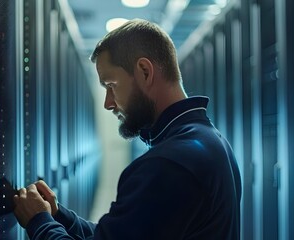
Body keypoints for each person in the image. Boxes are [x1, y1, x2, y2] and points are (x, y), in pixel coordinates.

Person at [13, 18, 241, 240]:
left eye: (111, 85)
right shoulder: (211, 141)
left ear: (144, 71)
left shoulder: (168, 164)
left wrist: (38, 222)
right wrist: (58, 216)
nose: (108, 103)